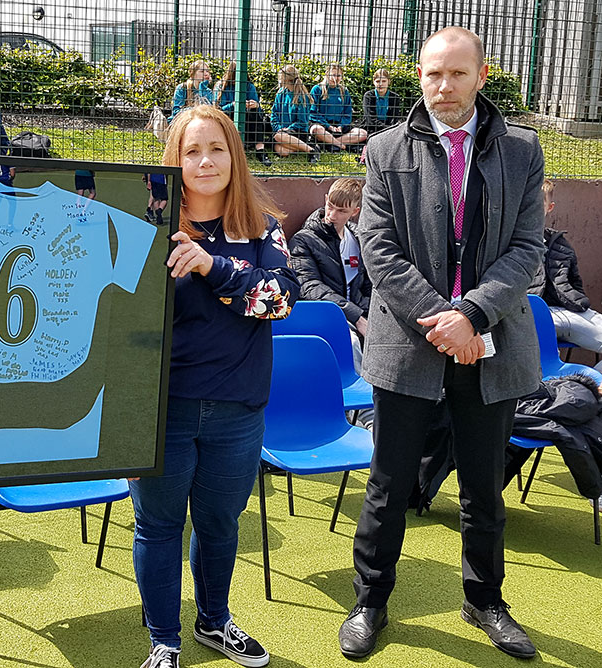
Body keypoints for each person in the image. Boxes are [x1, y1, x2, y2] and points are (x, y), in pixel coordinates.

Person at [339, 27, 545, 660]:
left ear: (482, 75)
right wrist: (442, 318)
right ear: (420, 77)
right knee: (389, 484)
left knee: (483, 486)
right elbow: (378, 249)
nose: (443, 86)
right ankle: (371, 600)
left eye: (457, 74)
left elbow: (527, 249)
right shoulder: (384, 150)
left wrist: (474, 316)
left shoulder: (521, 150)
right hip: (408, 344)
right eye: (433, 74)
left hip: (490, 347)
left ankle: (485, 601)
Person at [131, 103, 300, 668]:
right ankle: (164, 641)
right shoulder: (146, 223)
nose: (205, 162)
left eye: (216, 149)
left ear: (235, 156)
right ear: (174, 160)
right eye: (191, 150)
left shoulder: (263, 227)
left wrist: (213, 266)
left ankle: (213, 621)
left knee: (221, 524)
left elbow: (279, 301)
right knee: (158, 526)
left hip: (238, 409)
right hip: (164, 411)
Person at [288, 178, 369, 373]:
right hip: (325, 316)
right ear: (325, 199)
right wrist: (356, 316)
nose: (332, 215)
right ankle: (358, 399)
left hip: (359, 312)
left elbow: (369, 284)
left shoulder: (359, 238)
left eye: (342, 211)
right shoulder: (304, 240)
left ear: (354, 212)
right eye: (330, 206)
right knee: (351, 343)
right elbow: (309, 286)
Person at [528, 179, 602, 370]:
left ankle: (587, 387)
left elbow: (575, 283)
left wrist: (580, 303)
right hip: (528, 314)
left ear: (550, 207)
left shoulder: (561, 245)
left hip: (567, 312)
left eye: (540, 204)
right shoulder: (505, 243)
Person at [214, 61, 271, 166]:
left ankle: (260, 150)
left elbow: (257, 106)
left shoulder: (249, 86)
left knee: (255, 112)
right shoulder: (221, 86)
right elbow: (218, 110)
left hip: (247, 118)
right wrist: (234, 105)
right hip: (228, 117)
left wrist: (255, 105)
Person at [309, 62, 367, 152]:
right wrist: (328, 126)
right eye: (333, 75)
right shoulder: (317, 89)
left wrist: (341, 126)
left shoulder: (344, 91)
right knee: (315, 130)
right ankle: (341, 145)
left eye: (338, 76)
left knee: (362, 133)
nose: (335, 78)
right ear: (327, 74)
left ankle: (328, 143)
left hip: (339, 128)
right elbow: (312, 113)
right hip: (323, 126)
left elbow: (347, 113)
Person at [270, 64, 319, 163]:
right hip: (282, 131)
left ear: (286, 79)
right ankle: (307, 147)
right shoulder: (281, 93)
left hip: (297, 131)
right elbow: (273, 113)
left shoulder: (302, 97)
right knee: (282, 151)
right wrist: (279, 128)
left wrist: (288, 129)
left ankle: (312, 151)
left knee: (277, 137)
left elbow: (302, 122)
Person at [362, 68, 403, 136]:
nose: (381, 84)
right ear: (373, 82)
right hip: (370, 128)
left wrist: (390, 129)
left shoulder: (395, 97)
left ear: (389, 81)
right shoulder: (368, 96)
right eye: (378, 81)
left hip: (389, 129)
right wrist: (385, 129)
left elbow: (394, 118)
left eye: (384, 81)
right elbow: (370, 119)